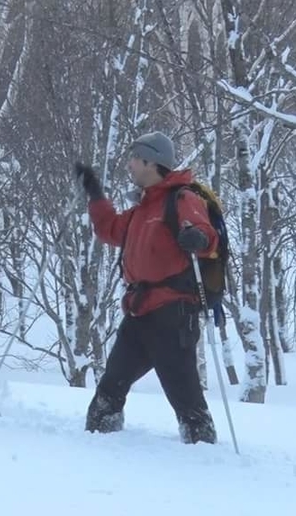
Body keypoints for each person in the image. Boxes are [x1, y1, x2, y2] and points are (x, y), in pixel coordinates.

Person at [75, 130, 218, 444]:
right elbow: (110, 230)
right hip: (139, 313)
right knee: (110, 387)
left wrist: (199, 238)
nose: (129, 165)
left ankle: (206, 457)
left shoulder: (182, 198)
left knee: (186, 398)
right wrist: (95, 194)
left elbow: (207, 234)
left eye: (134, 159)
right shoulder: (143, 209)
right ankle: (97, 448)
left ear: (151, 162)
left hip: (173, 315)